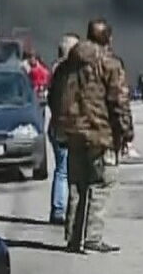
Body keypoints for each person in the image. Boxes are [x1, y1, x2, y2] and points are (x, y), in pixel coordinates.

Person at [54, 18, 133, 254]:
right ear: (108, 39)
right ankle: (92, 237)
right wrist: (126, 133)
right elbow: (119, 102)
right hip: (101, 134)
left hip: (73, 133)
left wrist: (59, 124)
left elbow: (54, 94)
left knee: (77, 184)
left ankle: (73, 237)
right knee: (101, 183)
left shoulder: (69, 64)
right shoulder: (110, 64)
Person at [47, 33, 80, 225]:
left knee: (61, 170)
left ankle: (59, 208)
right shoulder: (69, 73)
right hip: (67, 128)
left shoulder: (55, 71)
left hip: (56, 126)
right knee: (67, 171)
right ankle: (63, 210)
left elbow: (52, 101)